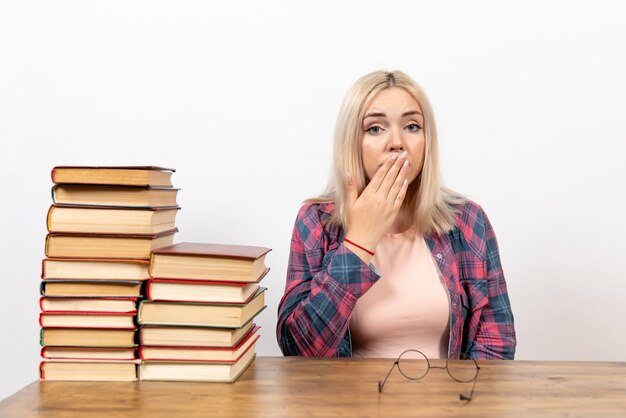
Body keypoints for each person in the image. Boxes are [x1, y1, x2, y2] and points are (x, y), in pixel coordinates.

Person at [276, 70, 516, 360]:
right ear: (352, 142)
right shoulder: (316, 221)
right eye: (375, 128)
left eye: (412, 126)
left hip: (448, 404)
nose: (397, 142)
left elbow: (496, 346)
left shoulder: (468, 221)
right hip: (347, 405)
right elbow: (299, 351)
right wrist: (358, 244)